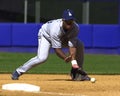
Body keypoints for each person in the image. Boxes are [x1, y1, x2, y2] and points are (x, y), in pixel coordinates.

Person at [11, 9, 91, 81]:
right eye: (68, 21)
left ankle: (76, 74)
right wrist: (65, 57)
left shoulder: (75, 28)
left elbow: (72, 45)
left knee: (80, 45)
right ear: (63, 20)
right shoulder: (55, 29)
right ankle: (18, 71)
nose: (70, 23)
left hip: (63, 37)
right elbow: (57, 50)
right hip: (46, 36)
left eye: (71, 21)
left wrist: (73, 62)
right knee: (42, 58)